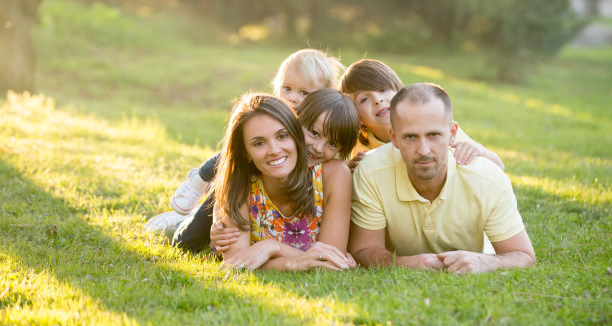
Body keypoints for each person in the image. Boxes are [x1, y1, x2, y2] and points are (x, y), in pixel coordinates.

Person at [144, 49, 344, 239]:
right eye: (287, 88)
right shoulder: (273, 115)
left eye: (304, 93)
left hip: (273, 199)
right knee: (193, 233)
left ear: (324, 96)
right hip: (243, 175)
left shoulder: (324, 122)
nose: (293, 97)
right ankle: (195, 191)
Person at [348, 83, 536, 273]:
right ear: (394, 138)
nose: (423, 150)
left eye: (434, 135)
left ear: (452, 133)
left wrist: (484, 262)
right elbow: (363, 249)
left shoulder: (487, 178)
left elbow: (523, 255)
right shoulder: (371, 171)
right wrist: (404, 263)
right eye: (411, 137)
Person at [176, 88, 361, 253]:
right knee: (184, 241)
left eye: (332, 144)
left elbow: (330, 257)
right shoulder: (242, 178)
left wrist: (269, 249)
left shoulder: (332, 174)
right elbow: (238, 261)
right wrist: (302, 259)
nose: (318, 148)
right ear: (298, 123)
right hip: (225, 200)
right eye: (314, 133)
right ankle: (178, 220)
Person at [338, 59, 505, 171]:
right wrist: (352, 174)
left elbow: (498, 166)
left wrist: (479, 151)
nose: (378, 100)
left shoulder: (432, 126)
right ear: (356, 115)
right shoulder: (360, 150)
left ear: (399, 91)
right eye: (364, 99)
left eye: (383, 90)